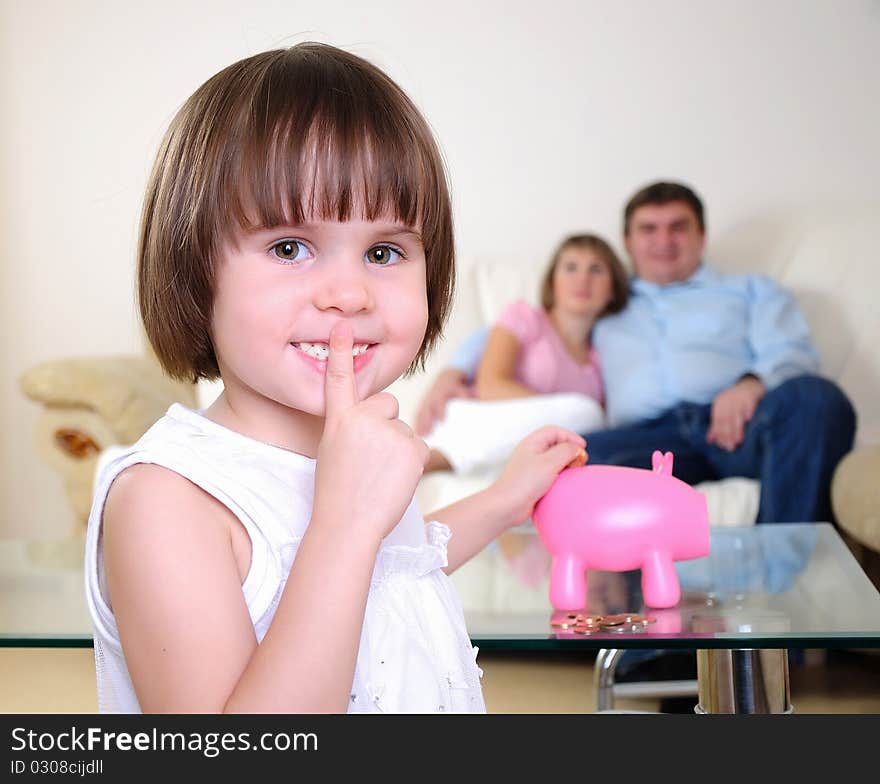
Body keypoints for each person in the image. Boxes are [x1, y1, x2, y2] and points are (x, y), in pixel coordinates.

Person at [82, 43, 590, 714]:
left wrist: (503, 501)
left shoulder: (350, 447)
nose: (349, 294)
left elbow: (399, 567)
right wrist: (345, 523)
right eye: (289, 248)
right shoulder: (166, 501)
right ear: (194, 269)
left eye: (384, 252)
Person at [416, 181, 856, 526]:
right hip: (644, 436)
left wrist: (751, 384)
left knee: (818, 399)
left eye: (678, 227)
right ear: (628, 241)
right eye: (649, 228)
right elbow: (530, 323)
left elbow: (792, 352)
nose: (663, 240)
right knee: (578, 462)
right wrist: (454, 368)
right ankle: (640, 640)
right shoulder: (608, 300)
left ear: (701, 236)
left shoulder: (749, 291)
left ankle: (785, 599)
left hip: (737, 426)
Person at [423, 233, 629, 474]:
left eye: (596, 269)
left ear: (613, 289)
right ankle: (433, 459)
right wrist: (560, 411)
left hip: (520, 449)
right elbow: (490, 385)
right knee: (586, 412)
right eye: (571, 268)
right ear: (553, 283)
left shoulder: (600, 358)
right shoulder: (523, 317)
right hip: (478, 420)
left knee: (590, 417)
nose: (582, 279)